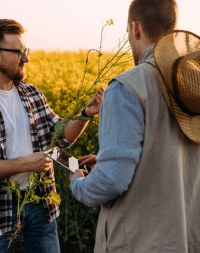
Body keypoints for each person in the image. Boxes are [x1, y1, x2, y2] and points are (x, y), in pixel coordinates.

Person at [0, 19, 103, 253]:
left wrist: (85, 114)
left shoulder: (32, 94)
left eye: (26, 51)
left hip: (40, 204)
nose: (26, 58)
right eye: (19, 52)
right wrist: (25, 164)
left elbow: (57, 141)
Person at [69, 0, 200, 252]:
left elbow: (111, 182)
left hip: (141, 242)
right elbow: (175, 159)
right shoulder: (191, 85)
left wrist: (78, 183)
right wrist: (111, 160)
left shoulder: (127, 86)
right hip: (186, 238)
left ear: (135, 28)